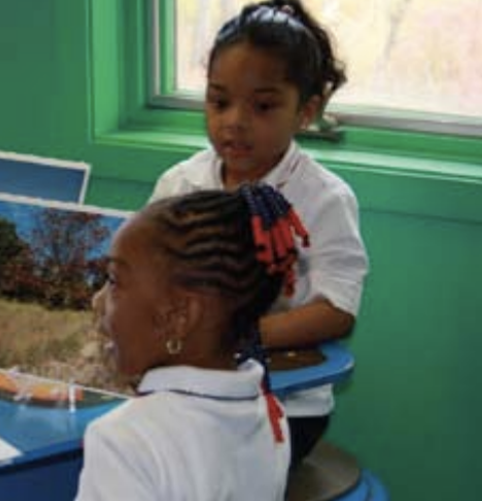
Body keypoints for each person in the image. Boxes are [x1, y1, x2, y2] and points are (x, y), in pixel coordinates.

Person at [148, 0, 369, 466]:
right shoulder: (180, 184)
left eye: (263, 105)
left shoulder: (324, 199)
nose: (234, 121)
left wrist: (233, 334)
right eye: (218, 100)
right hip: (187, 393)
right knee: (119, 447)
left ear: (305, 111)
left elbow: (336, 311)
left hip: (285, 408)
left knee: (191, 471)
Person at [76, 185, 307, 501]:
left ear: (179, 317)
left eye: (115, 281)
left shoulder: (126, 439)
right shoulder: (272, 413)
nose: (97, 300)